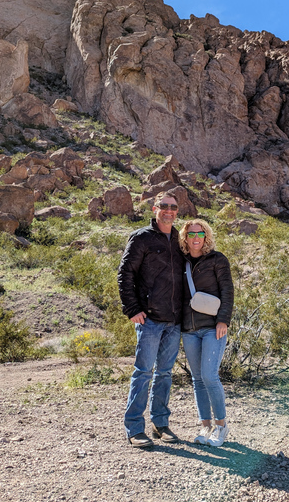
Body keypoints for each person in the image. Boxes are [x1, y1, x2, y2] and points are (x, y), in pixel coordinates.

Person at [118, 190, 184, 448]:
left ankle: (160, 423)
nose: (169, 210)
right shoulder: (141, 238)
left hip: (174, 319)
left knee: (165, 373)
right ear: (154, 208)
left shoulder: (179, 238)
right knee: (143, 372)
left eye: (174, 207)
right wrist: (132, 309)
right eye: (164, 206)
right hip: (149, 319)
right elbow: (125, 275)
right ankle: (135, 428)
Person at [179, 219, 234, 447]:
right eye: (191, 234)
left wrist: (223, 320)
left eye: (199, 233)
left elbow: (227, 290)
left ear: (206, 236)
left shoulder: (217, 259)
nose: (195, 238)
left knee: (210, 376)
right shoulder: (180, 263)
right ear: (185, 237)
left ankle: (221, 427)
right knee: (197, 379)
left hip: (213, 327)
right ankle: (205, 426)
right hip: (188, 329)